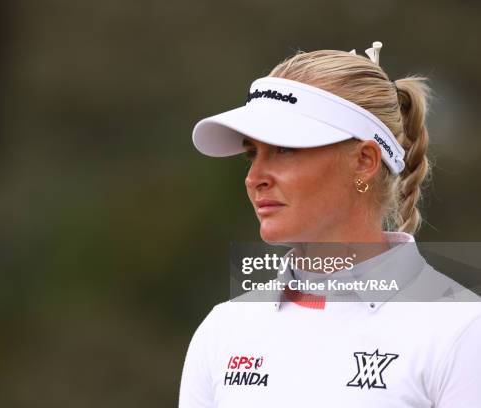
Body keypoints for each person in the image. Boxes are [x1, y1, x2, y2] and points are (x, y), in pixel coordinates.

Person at [178, 41, 481, 407]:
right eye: (251, 154)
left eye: (284, 149)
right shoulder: (223, 331)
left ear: (365, 162)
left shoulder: (462, 330)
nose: (254, 177)